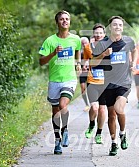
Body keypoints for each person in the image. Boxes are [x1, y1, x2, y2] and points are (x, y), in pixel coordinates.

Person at [91, 16, 137, 156]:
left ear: (122, 27)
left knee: (119, 108)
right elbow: (93, 63)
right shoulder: (102, 44)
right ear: (110, 27)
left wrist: (133, 62)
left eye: (120, 25)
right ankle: (114, 143)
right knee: (111, 115)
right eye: (115, 25)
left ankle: (123, 133)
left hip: (124, 83)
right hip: (107, 85)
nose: (118, 27)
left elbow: (134, 50)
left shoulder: (129, 41)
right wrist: (104, 54)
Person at [39, 10, 81, 154]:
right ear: (57, 22)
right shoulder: (50, 41)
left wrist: (78, 63)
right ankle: (57, 140)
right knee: (55, 111)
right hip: (54, 81)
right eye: (62, 19)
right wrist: (53, 53)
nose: (65, 21)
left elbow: (78, 50)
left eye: (67, 19)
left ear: (70, 22)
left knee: (63, 105)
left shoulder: (75, 39)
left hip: (69, 79)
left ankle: (65, 131)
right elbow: (41, 62)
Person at [83, 23, 107, 144]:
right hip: (92, 80)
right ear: (94, 34)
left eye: (100, 33)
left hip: (104, 83)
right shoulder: (88, 47)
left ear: (104, 34)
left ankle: (99, 133)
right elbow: (86, 61)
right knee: (94, 107)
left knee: (102, 110)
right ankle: (92, 124)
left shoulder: (109, 47)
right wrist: (85, 65)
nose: (98, 35)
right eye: (96, 33)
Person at [79, 37, 90, 112]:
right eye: (82, 43)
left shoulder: (91, 50)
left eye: (85, 42)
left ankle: (93, 103)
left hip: (90, 72)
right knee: (83, 89)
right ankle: (87, 104)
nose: (84, 44)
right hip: (82, 73)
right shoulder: (79, 52)